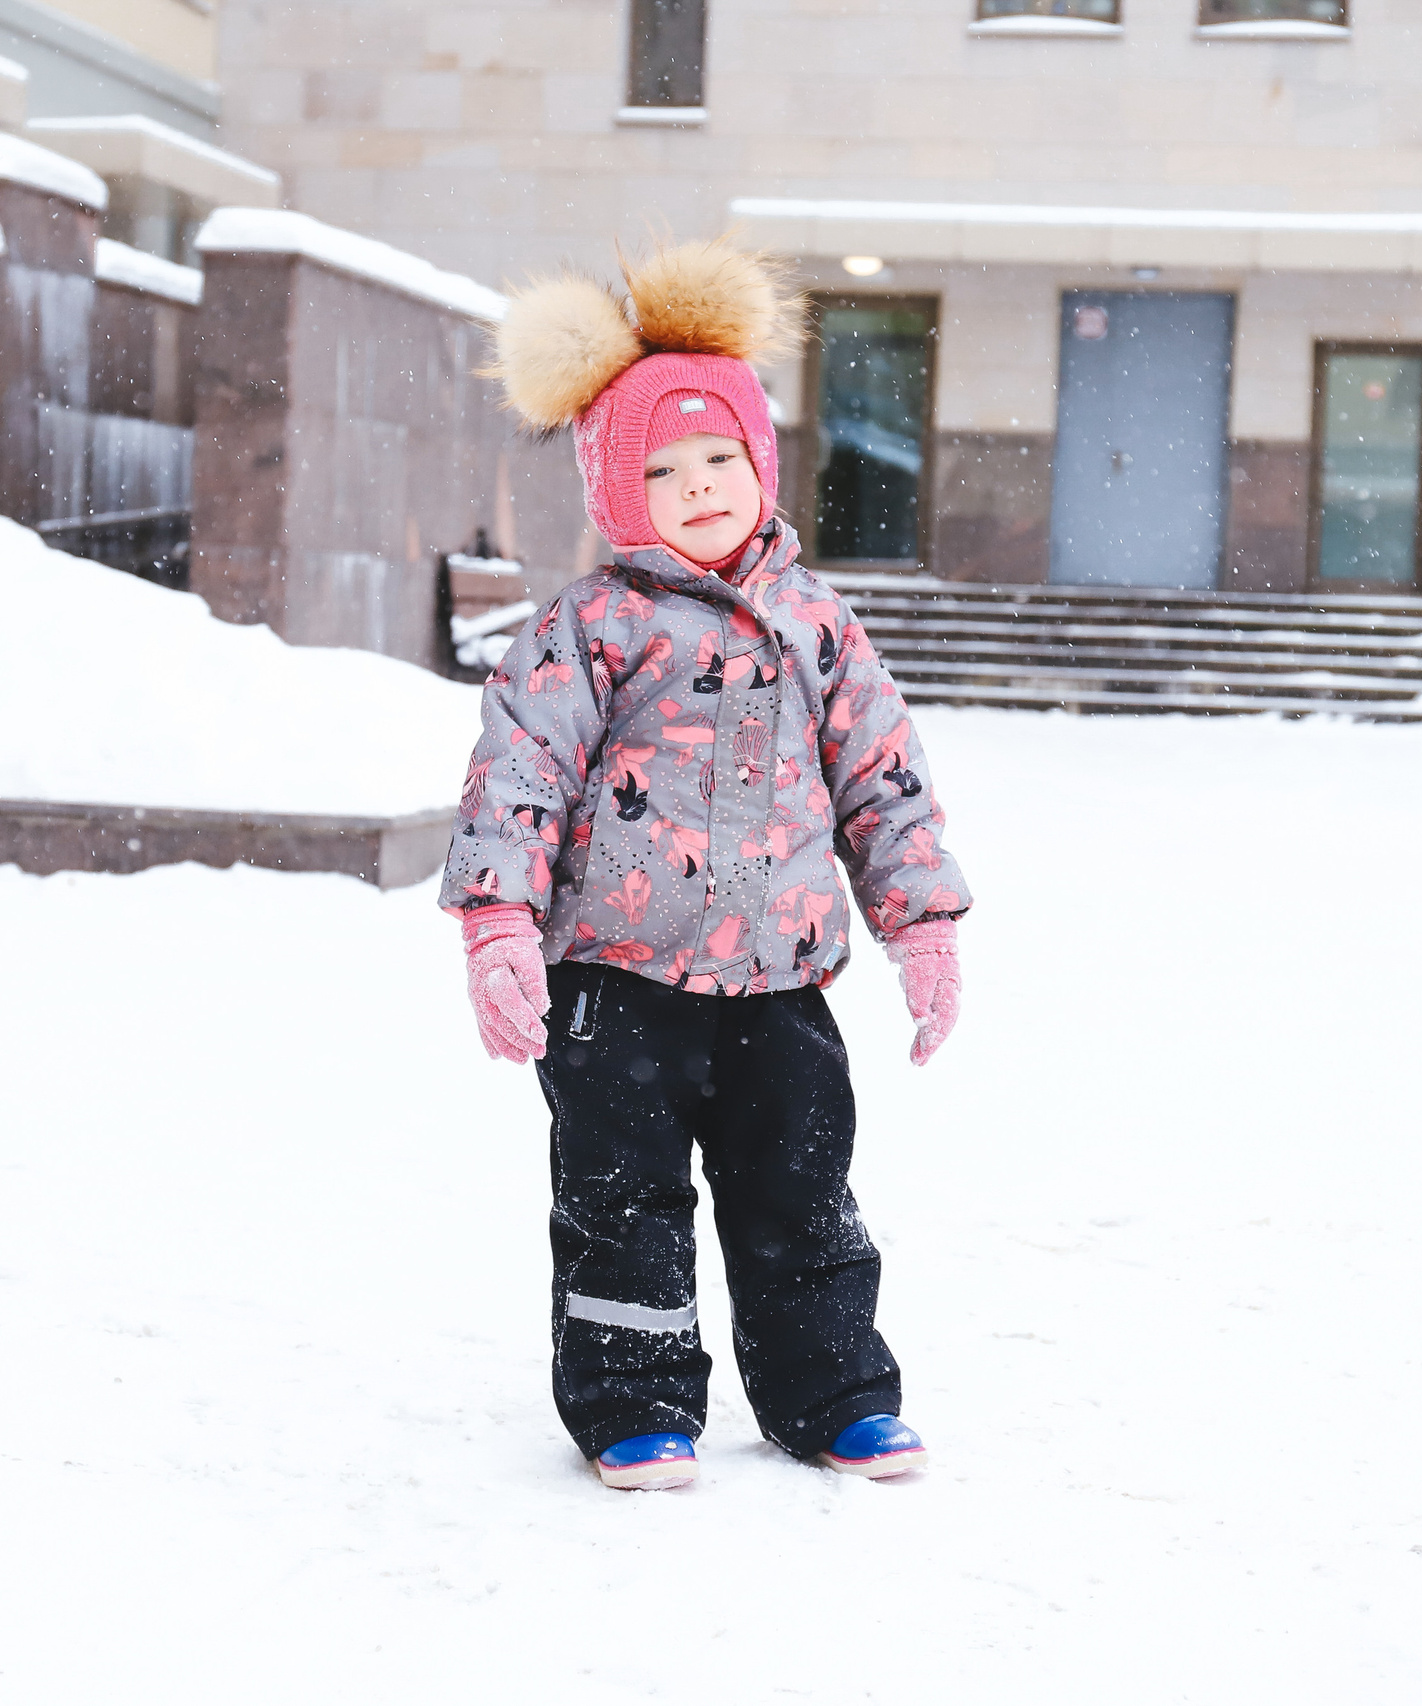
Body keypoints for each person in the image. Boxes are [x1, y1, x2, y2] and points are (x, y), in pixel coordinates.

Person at [440, 237, 972, 1493]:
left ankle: (833, 1391)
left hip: (780, 980)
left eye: (718, 458)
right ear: (612, 490)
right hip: (615, 978)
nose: (695, 487)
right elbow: (516, 774)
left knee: (802, 1193)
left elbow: (882, 778)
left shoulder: (817, 623)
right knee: (621, 1200)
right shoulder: (591, 627)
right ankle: (633, 1400)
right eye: (658, 470)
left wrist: (924, 924)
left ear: (760, 461)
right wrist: (498, 925)